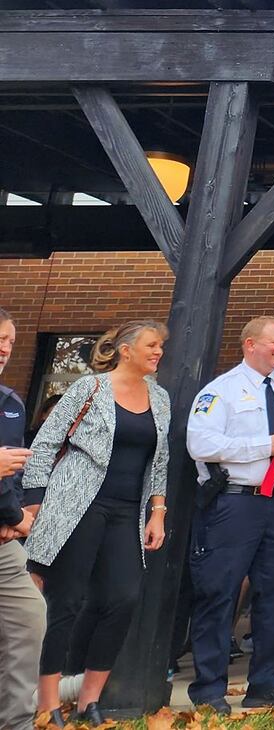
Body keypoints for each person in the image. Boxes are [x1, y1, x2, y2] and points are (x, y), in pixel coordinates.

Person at [20, 320, 169, 725]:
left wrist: (158, 510)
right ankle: (48, 700)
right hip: (75, 505)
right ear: (126, 350)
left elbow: (160, 460)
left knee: (122, 599)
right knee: (65, 600)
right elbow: (47, 440)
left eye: (161, 346)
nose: (159, 352)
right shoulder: (89, 389)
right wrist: (34, 501)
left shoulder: (160, 398)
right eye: (152, 345)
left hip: (127, 511)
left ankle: (89, 699)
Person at [185, 316, 274, 712]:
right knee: (218, 593)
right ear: (250, 344)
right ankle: (209, 690)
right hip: (233, 502)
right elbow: (200, 443)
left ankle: (267, 683)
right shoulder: (220, 391)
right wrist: (263, 446)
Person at [0, 307, 46, 730]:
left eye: (11, 341)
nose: (5, 348)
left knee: (28, 622)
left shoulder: (10, 403)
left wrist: (19, 515)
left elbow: (15, 471)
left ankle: (16, 723)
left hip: (5, 546)